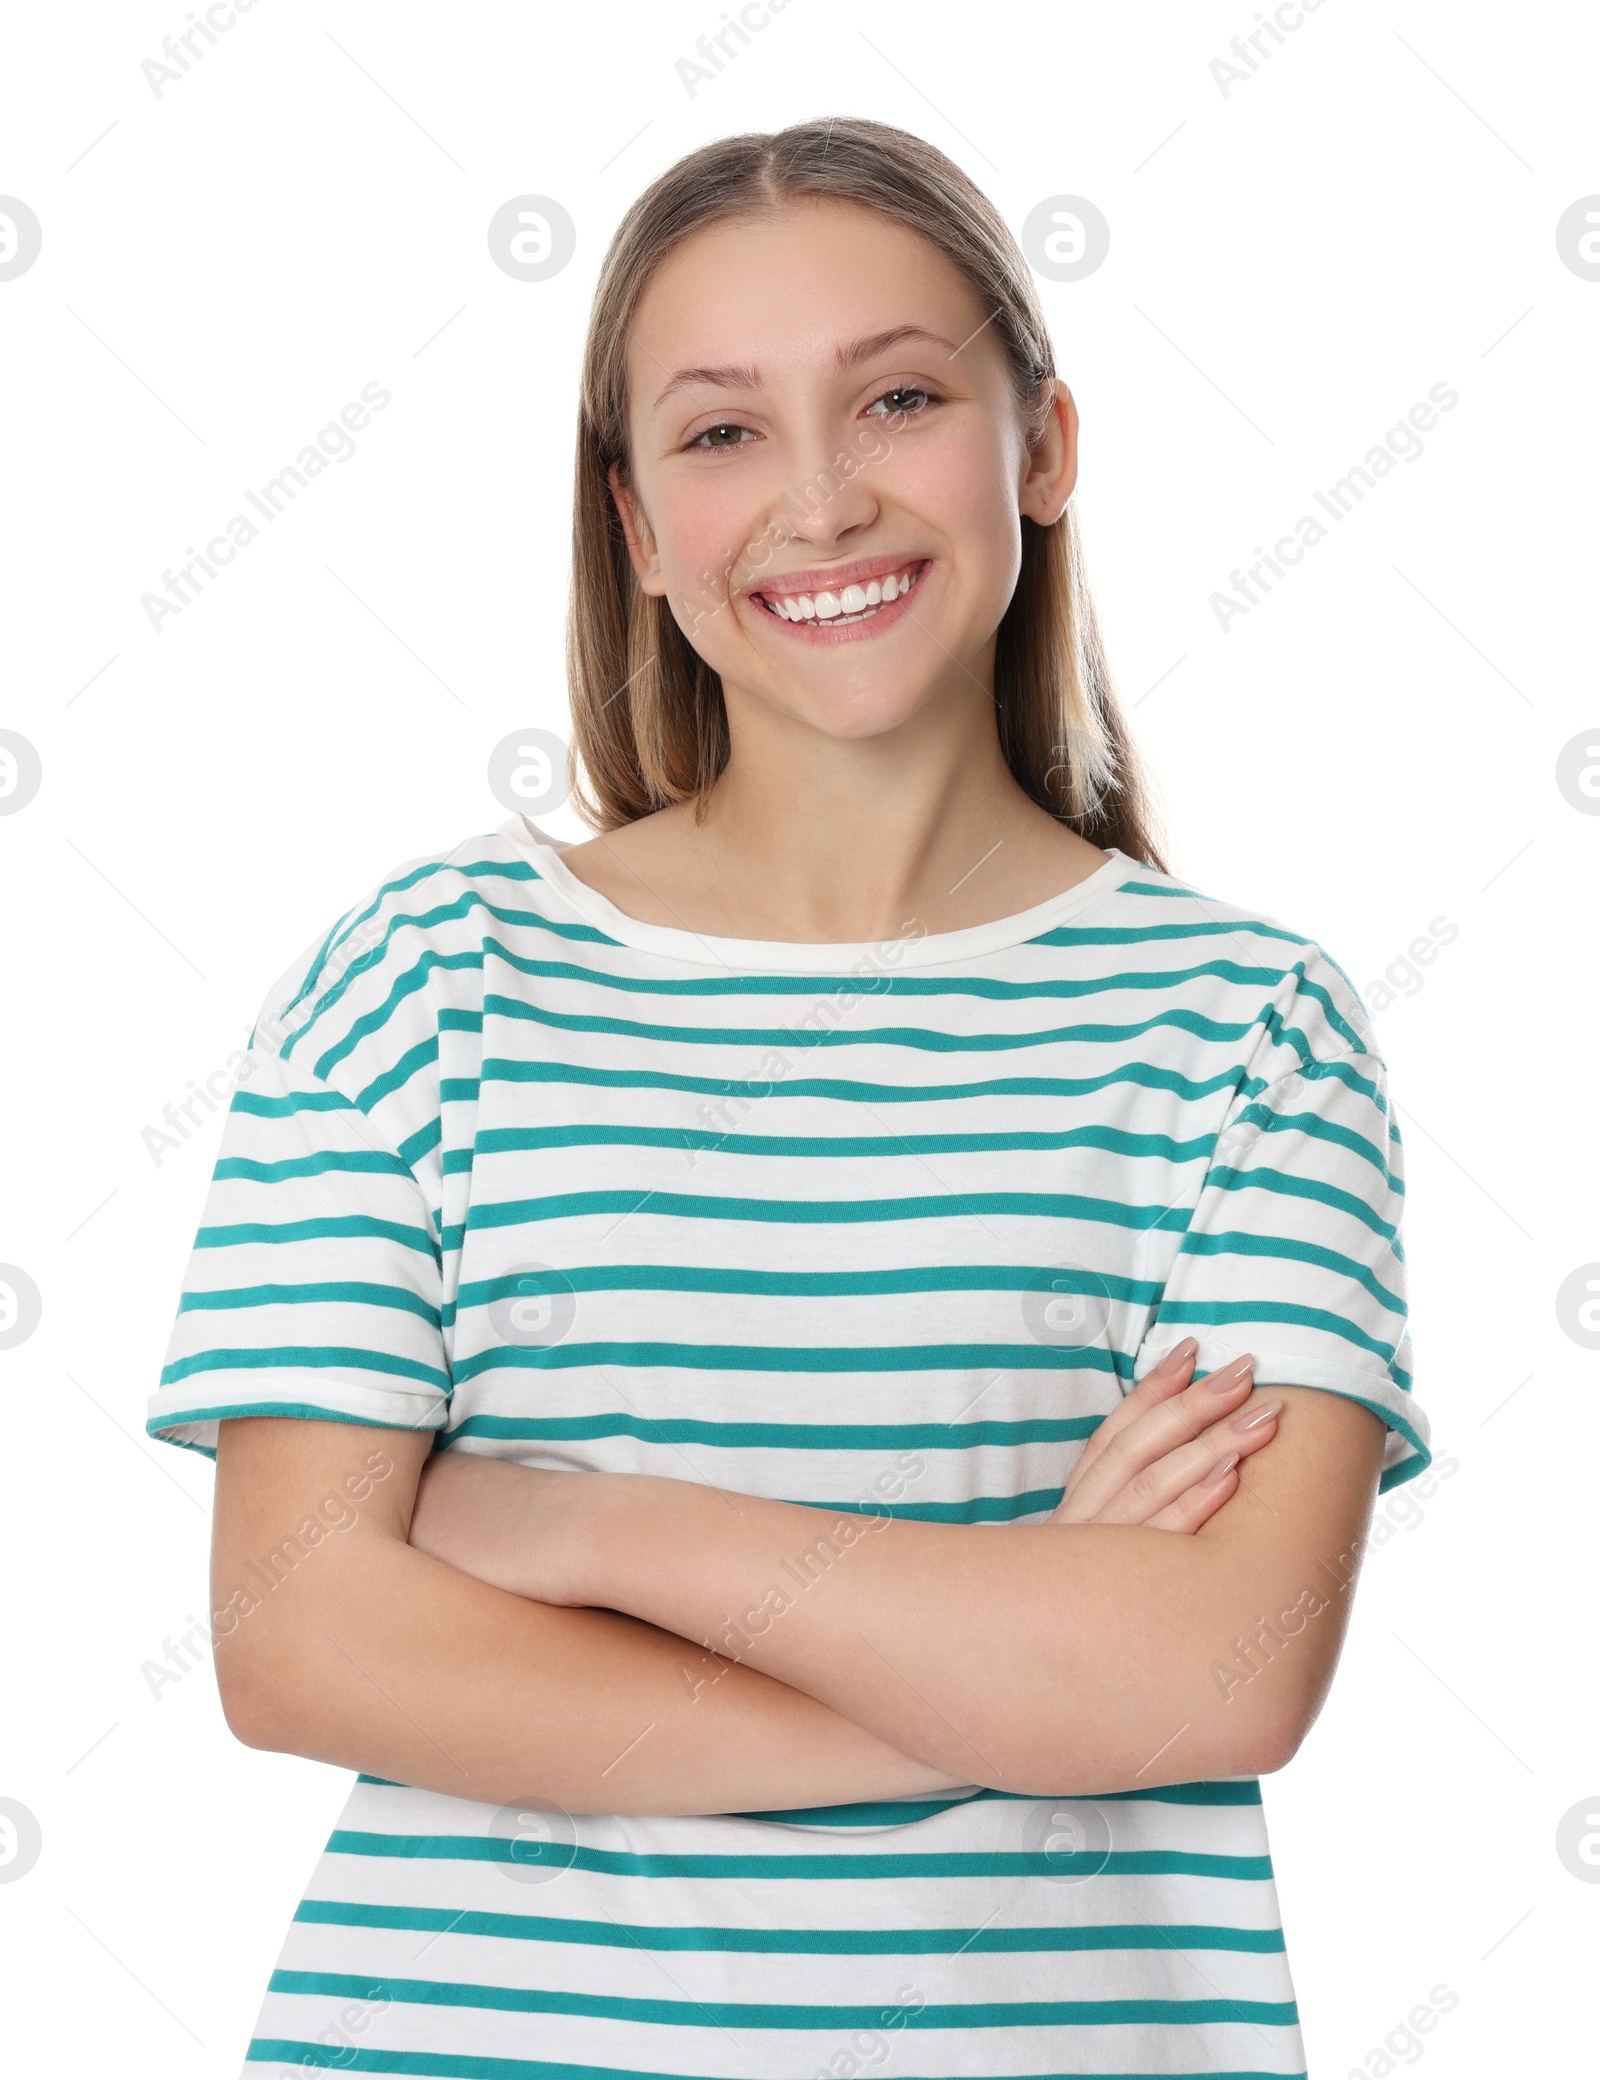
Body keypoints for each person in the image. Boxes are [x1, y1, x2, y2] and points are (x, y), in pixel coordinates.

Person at [148, 116, 1430, 2080]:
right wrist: (1008, 1675)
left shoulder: (1242, 1026)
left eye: (897, 396)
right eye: (721, 430)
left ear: (1043, 445)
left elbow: (1212, 1669)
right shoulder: (418, 985)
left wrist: (579, 1527)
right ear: (638, 525)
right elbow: (301, 1644)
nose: (819, 499)